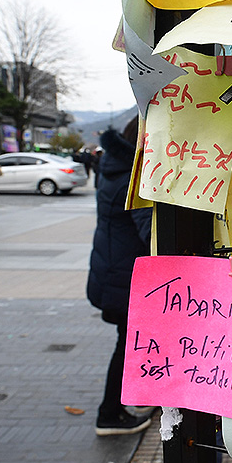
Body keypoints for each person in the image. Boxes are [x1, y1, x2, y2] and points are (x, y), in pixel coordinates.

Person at [86, 116, 153, 435]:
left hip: (114, 270)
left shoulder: (116, 166)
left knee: (130, 343)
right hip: (125, 279)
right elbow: (150, 233)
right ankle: (109, 414)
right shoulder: (135, 176)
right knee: (128, 345)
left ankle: (136, 399)